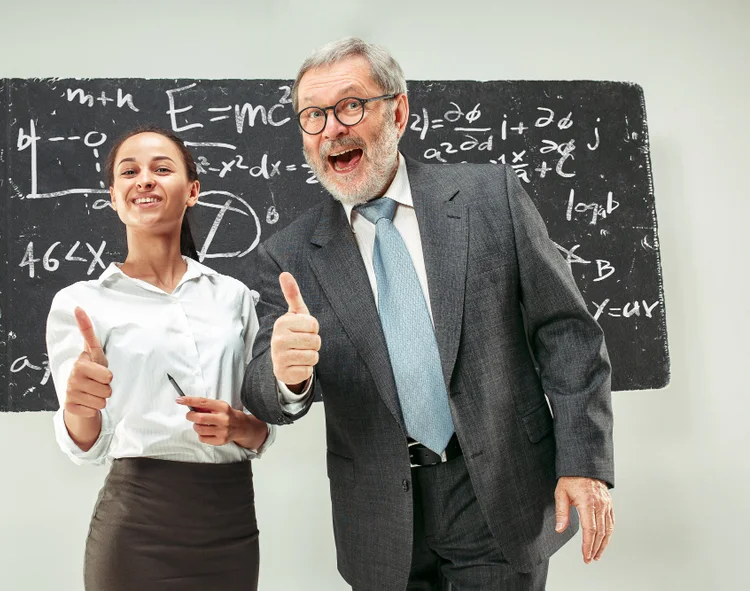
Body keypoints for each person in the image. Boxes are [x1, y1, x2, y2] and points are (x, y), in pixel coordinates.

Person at [241, 38, 614, 590]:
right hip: (380, 518)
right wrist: (285, 376)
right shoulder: (289, 254)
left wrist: (583, 461)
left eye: (350, 106)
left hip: (499, 495)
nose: (332, 130)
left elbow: (567, 334)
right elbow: (261, 390)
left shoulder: (491, 198)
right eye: (312, 117)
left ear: (398, 111)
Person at [46, 126, 274, 591]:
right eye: (129, 172)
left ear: (192, 192)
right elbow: (86, 446)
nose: (144, 180)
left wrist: (236, 425)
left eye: (161, 169)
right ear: (114, 196)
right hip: (137, 524)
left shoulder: (233, 297)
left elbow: (261, 428)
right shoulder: (81, 304)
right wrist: (79, 406)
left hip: (230, 521)